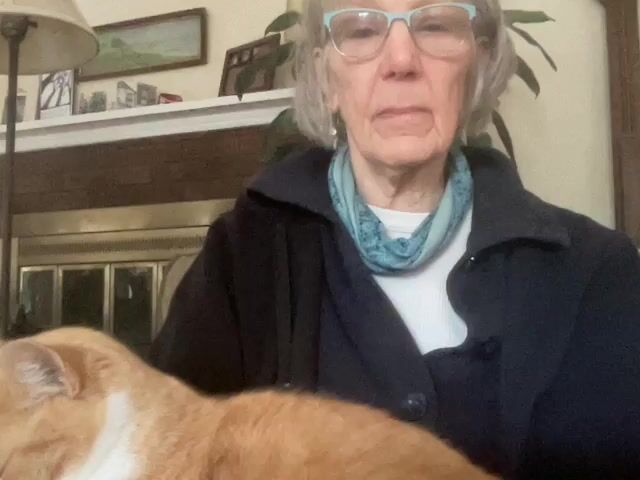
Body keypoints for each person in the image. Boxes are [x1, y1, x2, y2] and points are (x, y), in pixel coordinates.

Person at [149, 1, 640, 478]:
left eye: (435, 24)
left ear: (479, 61)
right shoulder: (242, 257)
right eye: (362, 30)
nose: (401, 61)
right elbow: (168, 455)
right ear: (326, 79)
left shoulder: (597, 271)